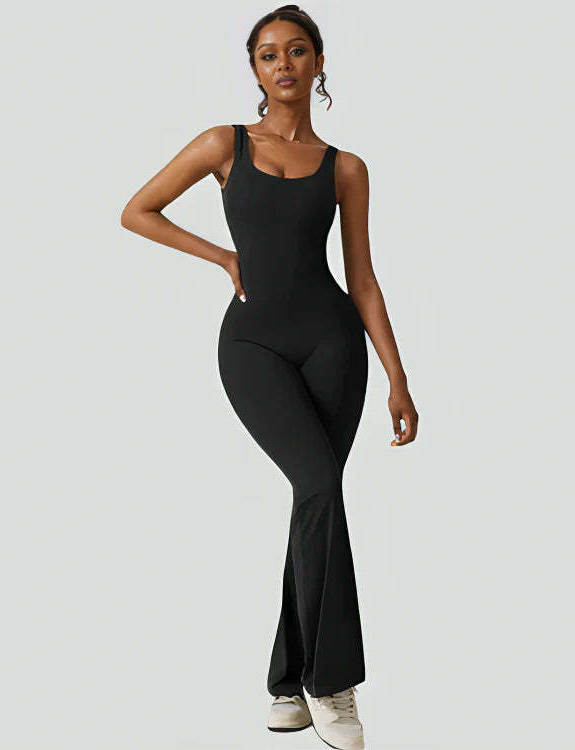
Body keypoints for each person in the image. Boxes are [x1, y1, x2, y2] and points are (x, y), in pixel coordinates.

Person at [120, 5, 418, 748]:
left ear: (318, 63)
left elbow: (363, 278)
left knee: (315, 498)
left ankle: (289, 683)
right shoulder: (223, 144)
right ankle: (333, 681)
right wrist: (223, 257)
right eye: (267, 54)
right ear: (254, 69)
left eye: (297, 50)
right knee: (318, 486)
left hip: (333, 345)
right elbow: (138, 211)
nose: (283, 64)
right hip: (252, 344)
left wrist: (397, 378)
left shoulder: (346, 167)